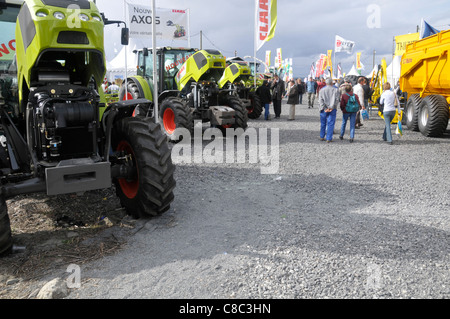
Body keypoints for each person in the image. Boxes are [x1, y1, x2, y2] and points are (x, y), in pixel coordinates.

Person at [318, 78, 339, 143]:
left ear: (326, 83)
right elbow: (337, 100)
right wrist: (331, 107)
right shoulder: (336, 90)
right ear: (332, 83)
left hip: (323, 109)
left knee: (323, 123)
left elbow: (320, 100)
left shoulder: (322, 90)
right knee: (331, 123)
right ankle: (329, 138)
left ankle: (322, 136)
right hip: (332, 109)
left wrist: (324, 108)